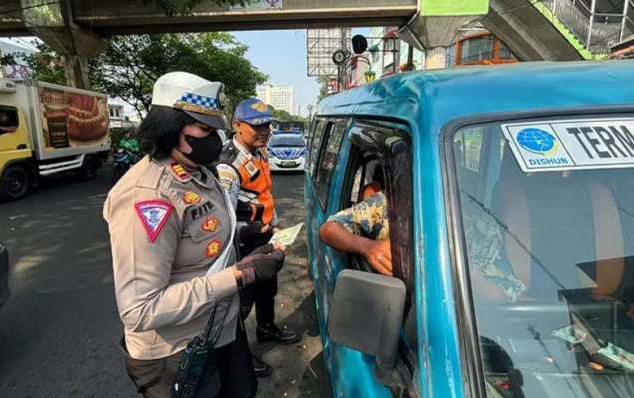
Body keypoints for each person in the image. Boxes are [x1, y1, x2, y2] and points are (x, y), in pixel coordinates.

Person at [103, 72, 287, 398]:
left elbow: (206, 230)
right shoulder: (147, 195)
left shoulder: (198, 171)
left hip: (220, 327)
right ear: (170, 126)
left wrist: (246, 233)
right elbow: (140, 309)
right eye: (204, 128)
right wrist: (239, 276)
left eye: (215, 128)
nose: (214, 138)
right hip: (176, 350)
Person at [319, 174, 527, 302]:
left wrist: (468, 278)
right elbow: (328, 230)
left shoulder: (478, 221)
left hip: (465, 326)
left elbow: (506, 292)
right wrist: (368, 247)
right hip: (395, 312)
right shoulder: (386, 204)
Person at [217, 98, 301, 378]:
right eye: (257, 126)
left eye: (267, 125)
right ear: (237, 126)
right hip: (243, 244)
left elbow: (264, 195)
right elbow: (225, 219)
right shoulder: (228, 165)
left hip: (264, 236)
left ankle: (266, 329)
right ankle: (235, 355)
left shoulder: (260, 153)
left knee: (268, 289)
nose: (264, 131)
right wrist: (253, 231)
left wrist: (274, 226)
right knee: (241, 303)